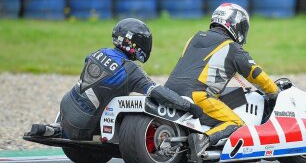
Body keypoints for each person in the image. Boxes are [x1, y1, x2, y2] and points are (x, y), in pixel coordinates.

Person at [30, 18, 202, 140]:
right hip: (84, 127)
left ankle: (56, 129)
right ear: (134, 43)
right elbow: (159, 93)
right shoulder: (130, 69)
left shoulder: (98, 52)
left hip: (65, 110)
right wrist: (188, 106)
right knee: (142, 104)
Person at [165, 3, 279, 162]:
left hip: (168, 92)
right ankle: (202, 140)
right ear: (235, 25)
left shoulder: (194, 38)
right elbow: (256, 74)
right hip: (197, 97)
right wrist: (274, 92)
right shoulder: (232, 48)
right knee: (236, 123)